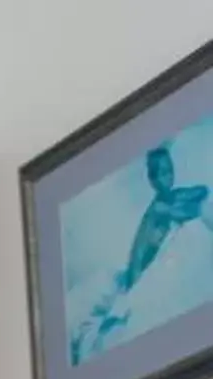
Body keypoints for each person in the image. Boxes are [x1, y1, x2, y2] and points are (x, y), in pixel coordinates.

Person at [73, 143, 210, 361]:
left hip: (143, 270)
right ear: (153, 181)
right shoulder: (158, 208)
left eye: (170, 170)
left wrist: (191, 194)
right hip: (136, 275)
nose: (169, 177)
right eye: (163, 174)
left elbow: (201, 189)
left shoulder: (172, 196)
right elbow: (187, 211)